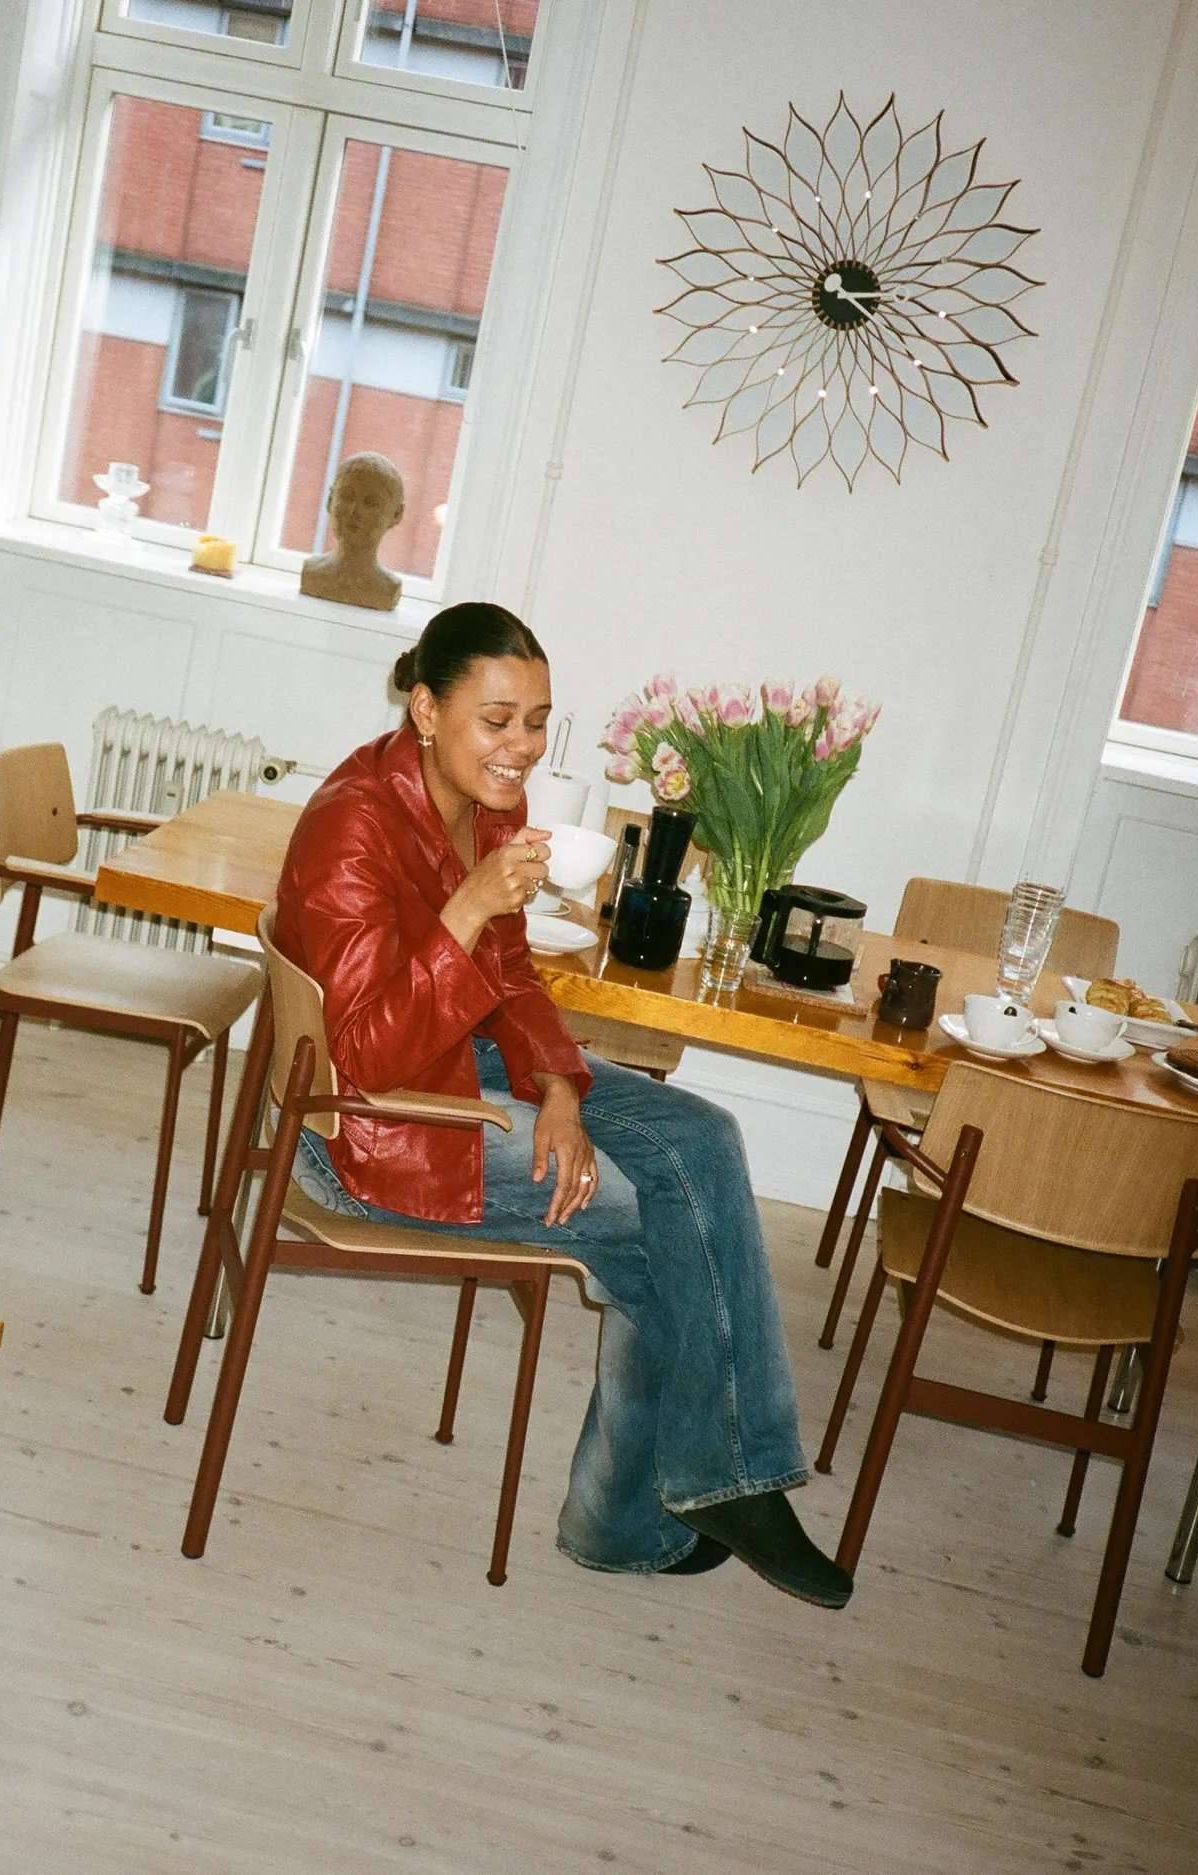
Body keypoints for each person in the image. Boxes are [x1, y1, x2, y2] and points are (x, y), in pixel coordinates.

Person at [273, 602, 850, 1605]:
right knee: (648, 1215)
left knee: (703, 1137)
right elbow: (360, 1057)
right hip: (365, 1131)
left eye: (537, 720)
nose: (521, 746)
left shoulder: (486, 804)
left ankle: (715, 1484)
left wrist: (558, 1092)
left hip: (454, 1070)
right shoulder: (351, 828)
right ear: (423, 707)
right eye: (497, 720)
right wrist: (468, 907)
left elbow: (513, 978)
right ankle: (650, 1512)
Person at [299, 452, 406, 612]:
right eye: (347, 496)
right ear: (330, 501)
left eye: (371, 503)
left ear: (396, 515)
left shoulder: (387, 588)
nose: (354, 511)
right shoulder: (312, 573)